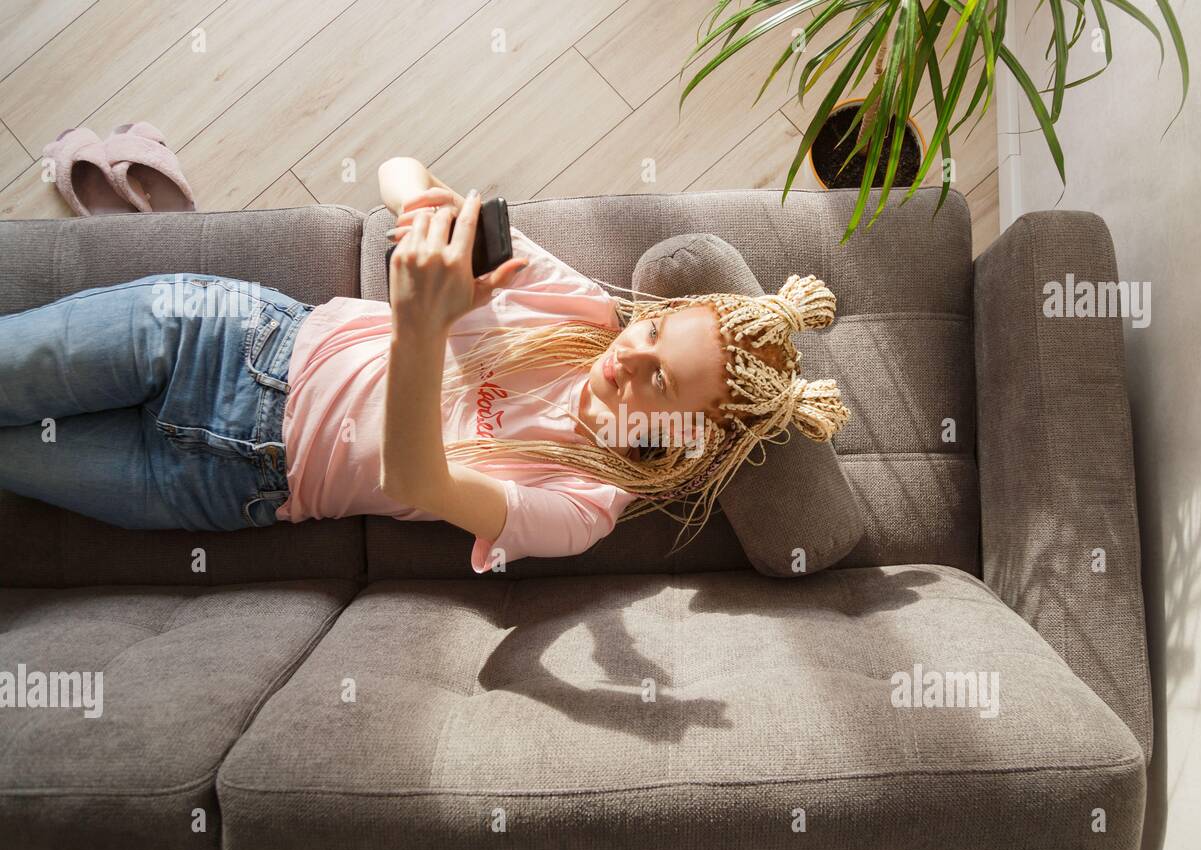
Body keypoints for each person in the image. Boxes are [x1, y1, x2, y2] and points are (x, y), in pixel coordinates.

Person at [0, 159, 850, 573]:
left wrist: (418, 326)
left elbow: (421, 476)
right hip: (222, 339)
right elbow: (399, 169)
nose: (630, 354)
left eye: (661, 379)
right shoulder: (577, 312)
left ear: (688, 437)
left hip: (227, 485)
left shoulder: (583, 507)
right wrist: (424, 208)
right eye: (653, 333)